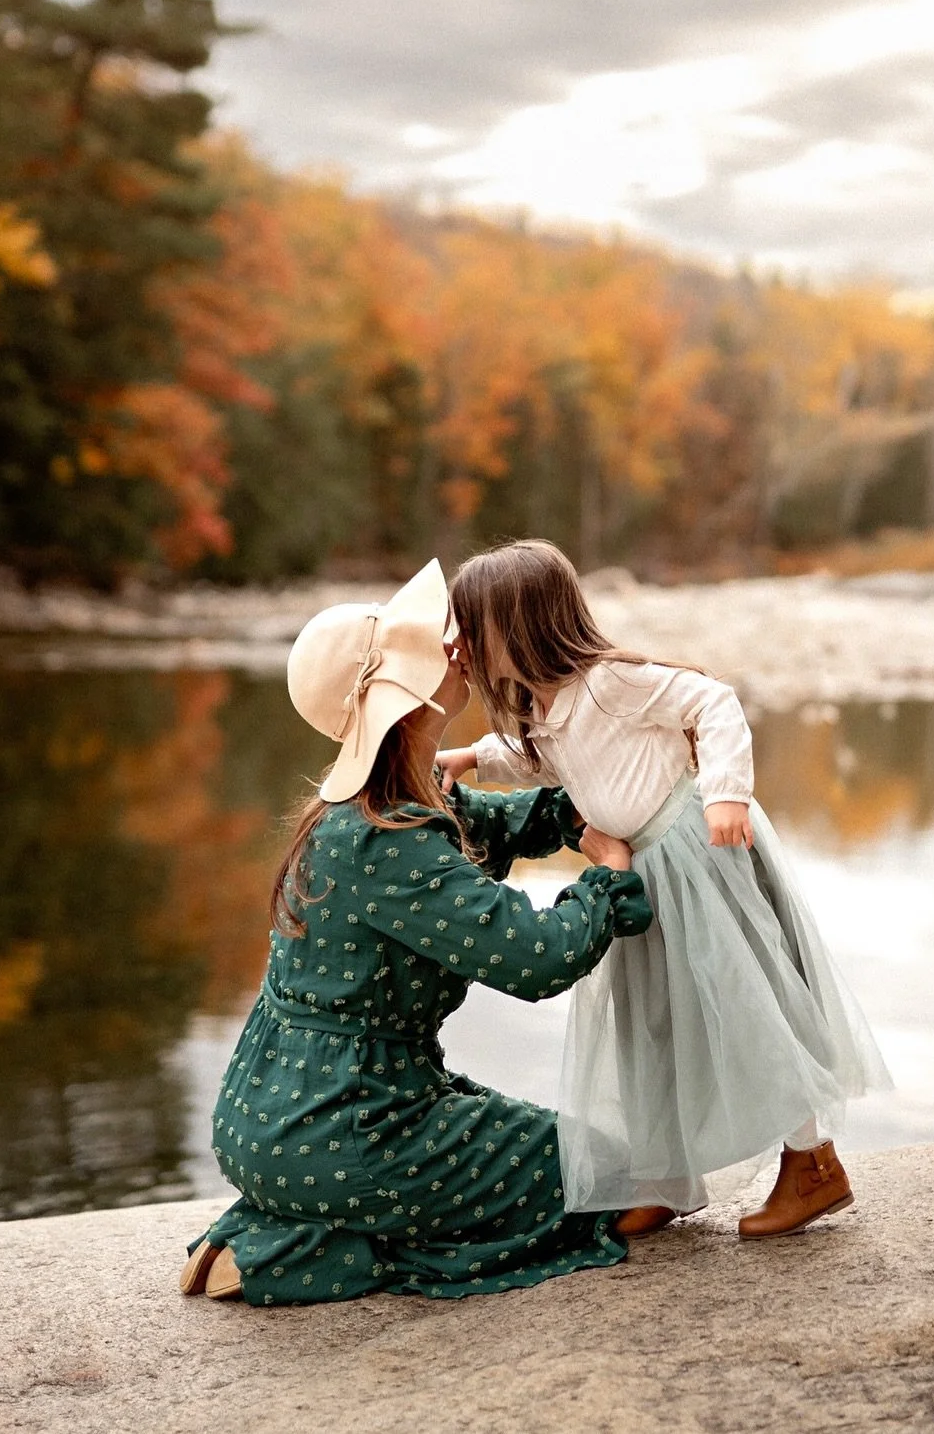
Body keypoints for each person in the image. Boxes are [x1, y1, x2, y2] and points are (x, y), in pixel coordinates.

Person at [180, 558, 654, 1305]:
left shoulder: (385, 802)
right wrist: (605, 874)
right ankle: (287, 1248)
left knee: (547, 1159)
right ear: (401, 696)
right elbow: (539, 958)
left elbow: (496, 822)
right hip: (344, 1123)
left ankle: (299, 1215)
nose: (451, 645)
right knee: (612, 1178)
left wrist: (582, 805)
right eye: (426, 647)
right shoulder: (385, 841)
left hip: (280, 1108)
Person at [437, 540, 892, 1240]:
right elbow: (543, 758)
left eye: (471, 628)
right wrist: (473, 756)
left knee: (742, 1006)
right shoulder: (544, 703)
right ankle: (667, 1178)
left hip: (694, 855)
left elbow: (715, 701)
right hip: (646, 877)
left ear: (518, 625)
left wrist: (726, 795)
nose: (460, 644)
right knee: (650, 1023)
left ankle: (814, 1163)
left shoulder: (609, 682)